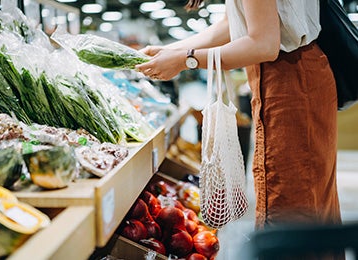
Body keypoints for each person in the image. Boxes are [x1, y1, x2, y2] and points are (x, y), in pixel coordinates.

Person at [135, 0, 342, 231]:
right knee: (310, 204)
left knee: (291, 209)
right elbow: (230, 24)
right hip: (293, 75)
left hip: (289, 80)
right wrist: (170, 51)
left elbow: (263, 45)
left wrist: (186, 59)